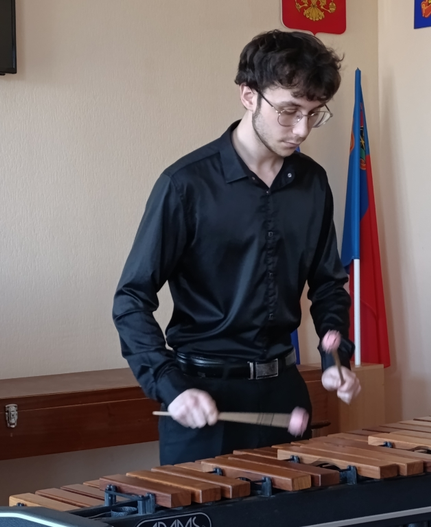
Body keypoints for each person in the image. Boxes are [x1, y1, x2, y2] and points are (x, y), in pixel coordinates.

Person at [112, 29, 361, 466]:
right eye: (288, 111)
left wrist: (334, 358)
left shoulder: (312, 183)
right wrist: (170, 385)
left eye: (314, 114)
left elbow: (327, 285)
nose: (302, 130)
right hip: (201, 392)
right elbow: (131, 299)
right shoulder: (185, 185)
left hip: (284, 391)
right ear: (248, 95)